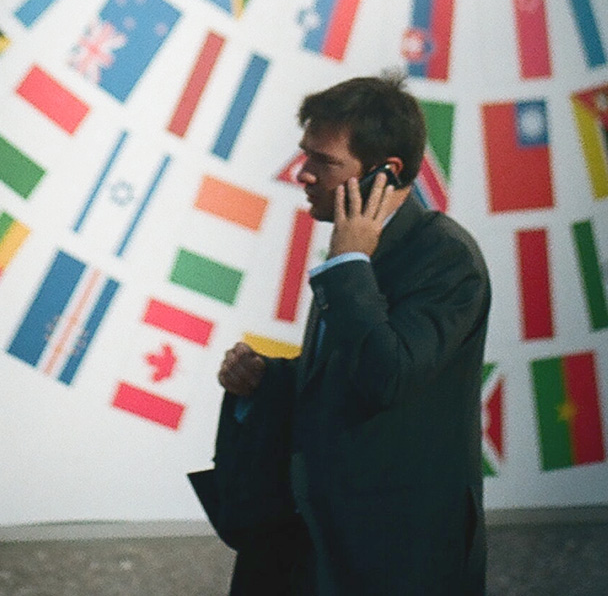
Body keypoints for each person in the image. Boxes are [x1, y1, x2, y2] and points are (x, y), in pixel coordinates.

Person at [206, 74, 491, 595]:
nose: (304, 174)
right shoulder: (355, 250)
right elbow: (344, 377)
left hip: (391, 564)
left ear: (386, 171)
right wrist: (263, 379)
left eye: (324, 161)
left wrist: (350, 263)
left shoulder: (445, 259)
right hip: (312, 547)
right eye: (304, 154)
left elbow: (389, 376)